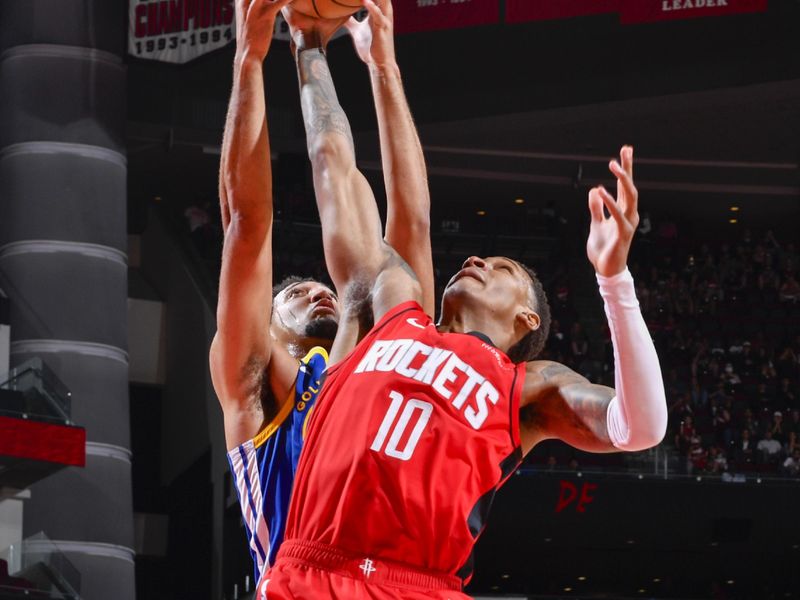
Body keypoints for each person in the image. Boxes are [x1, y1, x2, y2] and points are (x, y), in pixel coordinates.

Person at [261, 3, 667, 598]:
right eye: (480, 258)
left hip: (416, 586)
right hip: (307, 570)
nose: (476, 259)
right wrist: (313, 48)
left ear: (527, 318)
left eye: (502, 268)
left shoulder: (527, 387)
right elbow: (337, 172)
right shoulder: (388, 314)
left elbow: (642, 427)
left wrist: (614, 280)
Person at [209, 0, 434, 587]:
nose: (317, 292)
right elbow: (247, 223)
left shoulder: (369, 358)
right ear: (270, 324)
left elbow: (410, 229)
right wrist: (249, 58)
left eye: (317, 287)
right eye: (296, 293)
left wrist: (383, 70)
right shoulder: (254, 384)